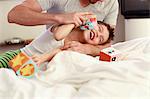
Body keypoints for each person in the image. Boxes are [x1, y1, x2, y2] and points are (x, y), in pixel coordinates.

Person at [7, 0, 119, 56]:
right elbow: (13, 15)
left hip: (73, 57)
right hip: (45, 50)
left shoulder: (111, 3)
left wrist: (87, 49)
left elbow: (107, 43)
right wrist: (59, 18)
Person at [0, 21, 114, 68]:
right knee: (3, 64)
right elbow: (58, 36)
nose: (97, 34)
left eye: (100, 39)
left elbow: (60, 50)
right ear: (92, 23)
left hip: (34, 65)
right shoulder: (64, 26)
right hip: (20, 55)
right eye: (98, 28)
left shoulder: (77, 46)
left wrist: (42, 58)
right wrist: (77, 22)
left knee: (15, 79)